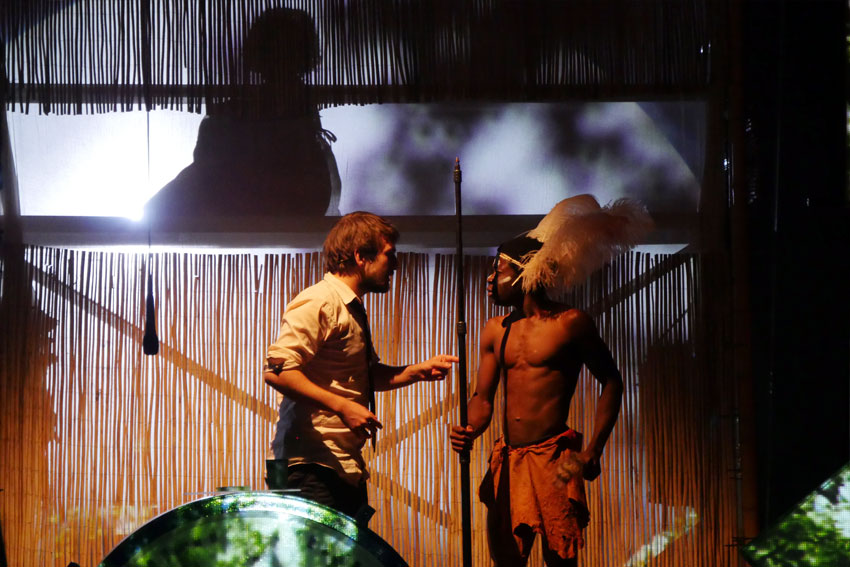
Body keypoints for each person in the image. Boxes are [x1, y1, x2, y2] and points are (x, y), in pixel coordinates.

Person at [450, 195, 652, 566]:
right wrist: (469, 429)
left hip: (555, 458)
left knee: (560, 558)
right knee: (506, 559)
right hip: (509, 459)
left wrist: (594, 449)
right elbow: (483, 397)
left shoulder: (570, 324)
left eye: (499, 270)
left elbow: (612, 381)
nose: (490, 279)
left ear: (525, 273)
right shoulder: (495, 330)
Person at [264, 211, 458, 521]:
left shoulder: (349, 308)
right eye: (389, 254)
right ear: (360, 256)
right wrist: (343, 406)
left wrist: (414, 371)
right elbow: (277, 371)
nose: (395, 265)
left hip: (338, 464)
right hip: (307, 466)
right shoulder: (320, 301)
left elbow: (363, 375)